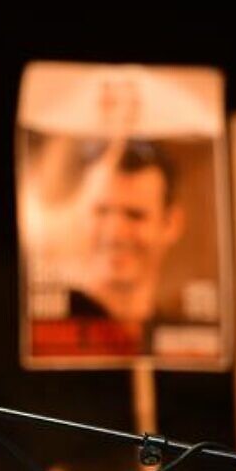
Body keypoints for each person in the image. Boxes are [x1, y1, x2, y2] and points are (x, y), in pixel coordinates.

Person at [66, 139, 185, 330]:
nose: (115, 233)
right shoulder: (44, 329)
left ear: (171, 224)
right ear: (77, 216)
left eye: (135, 215)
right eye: (101, 211)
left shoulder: (187, 344)